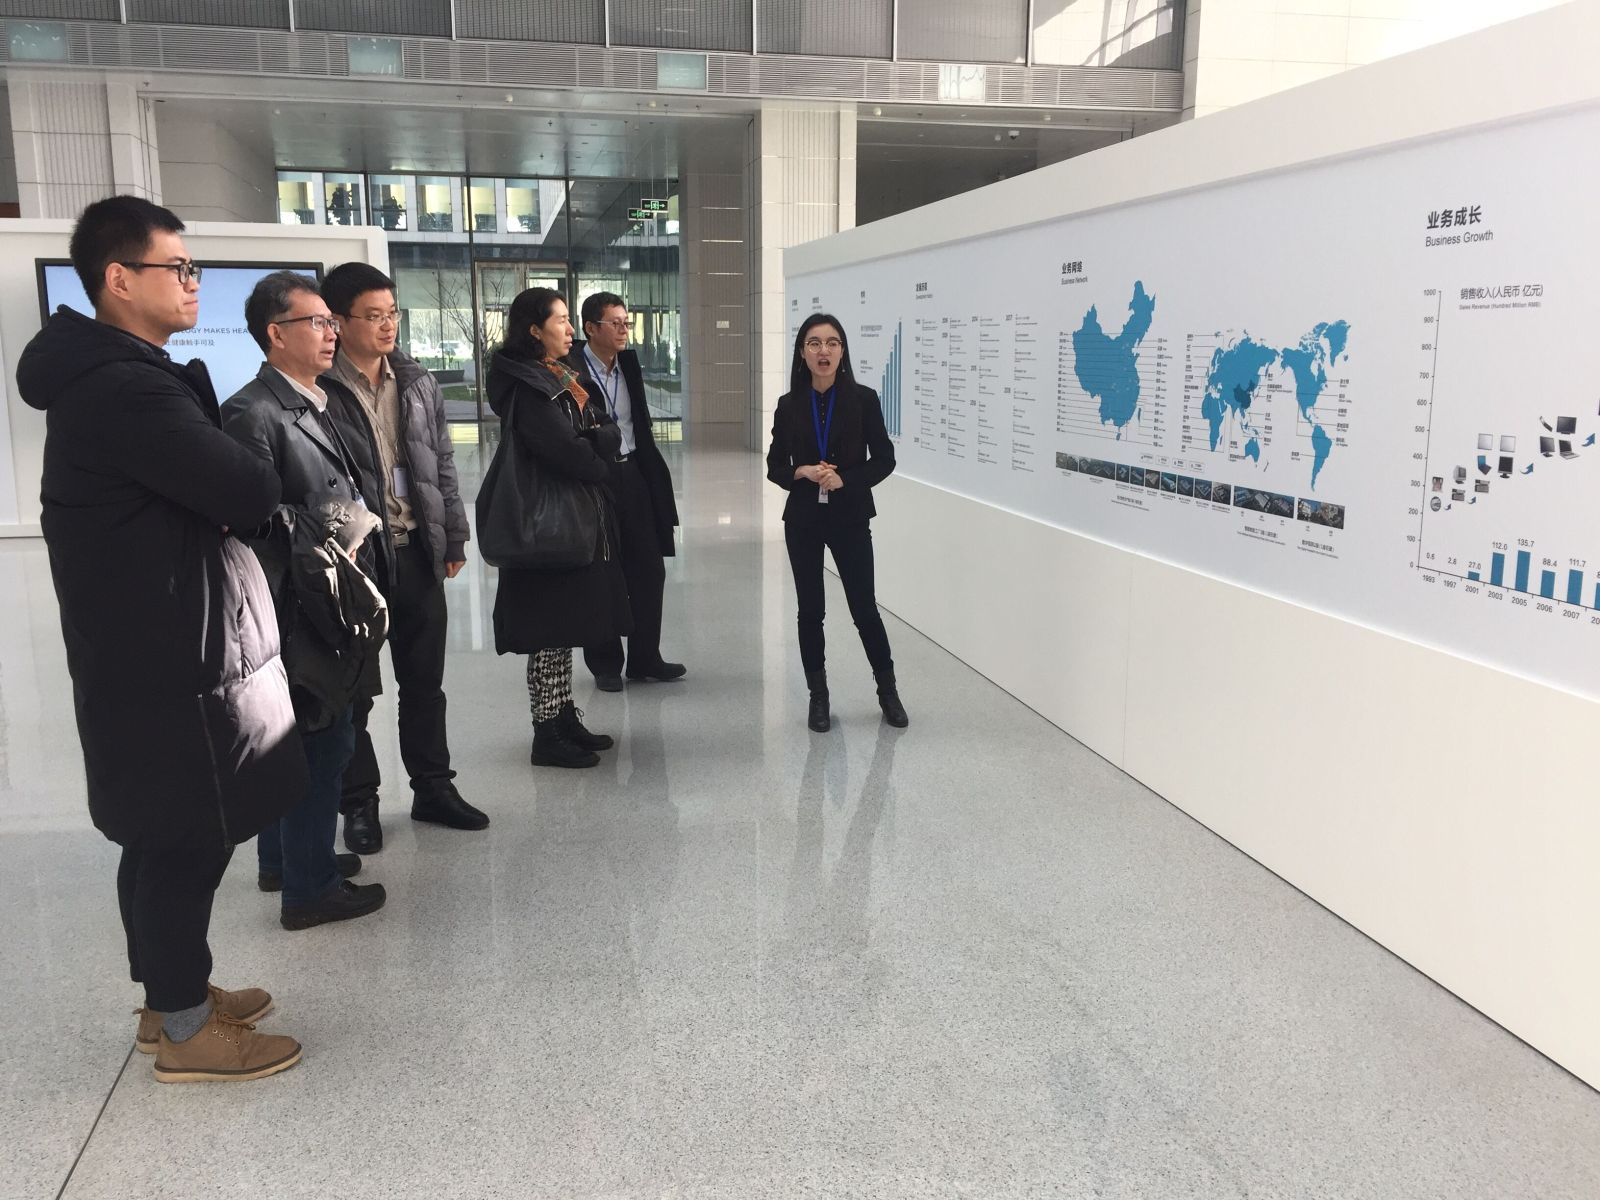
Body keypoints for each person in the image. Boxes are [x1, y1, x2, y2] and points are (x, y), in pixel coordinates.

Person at [16, 196, 304, 1083]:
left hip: (154, 640)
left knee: (161, 832)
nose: (191, 284)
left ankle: (169, 1000)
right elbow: (248, 488)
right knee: (185, 834)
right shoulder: (126, 388)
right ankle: (184, 1031)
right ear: (117, 278)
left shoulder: (120, 377)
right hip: (168, 653)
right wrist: (251, 479)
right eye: (176, 268)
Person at [222, 271, 391, 930]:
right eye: (316, 322)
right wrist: (334, 522)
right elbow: (249, 518)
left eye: (330, 322)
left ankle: (285, 861)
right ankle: (310, 888)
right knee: (323, 739)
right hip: (296, 605)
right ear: (276, 333)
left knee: (306, 737)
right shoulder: (253, 412)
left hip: (324, 592)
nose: (330, 333)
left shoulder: (312, 399)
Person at [320, 263, 486, 852]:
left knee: (424, 683)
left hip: (415, 548)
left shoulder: (416, 381)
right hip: (356, 561)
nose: (388, 325)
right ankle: (359, 802)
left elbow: (441, 463)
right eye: (373, 316)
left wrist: (453, 536)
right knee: (355, 691)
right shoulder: (320, 388)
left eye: (392, 314)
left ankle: (433, 787)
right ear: (338, 322)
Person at [486, 287, 631, 768]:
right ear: (535, 330)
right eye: (561, 321)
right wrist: (598, 451)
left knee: (565, 626)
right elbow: (571, 453)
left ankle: (564, 717)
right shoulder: (529, 388)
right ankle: (546, 733)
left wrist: (596, 439)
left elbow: (603, 426)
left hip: (568, 522)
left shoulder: (558, 375)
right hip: (546, 528)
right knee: (549, 632)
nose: (570, 330)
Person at [765, 313, 909, 732]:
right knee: (811, 610)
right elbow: (775, 466)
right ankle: (819, 696)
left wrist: (846, 478)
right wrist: (802, 472)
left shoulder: (864, 400)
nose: (823, 351)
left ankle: (888, 692)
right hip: (804, 520)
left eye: (832, 343)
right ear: (802, 352)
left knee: (864, 608)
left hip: (850, 517)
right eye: (814, 343)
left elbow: (885, 459)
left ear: (843, 351)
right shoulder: (789, 405)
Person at [565, 292, 684, 692]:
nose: (623, 330)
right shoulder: (572, 370)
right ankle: (605, 664)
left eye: (625, 322)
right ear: (590, 328)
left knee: (649, 567)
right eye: (614, 323)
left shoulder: (628, 365)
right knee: (601, 568)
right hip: (594, 476)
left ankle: (646, 657)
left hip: (633, 471)